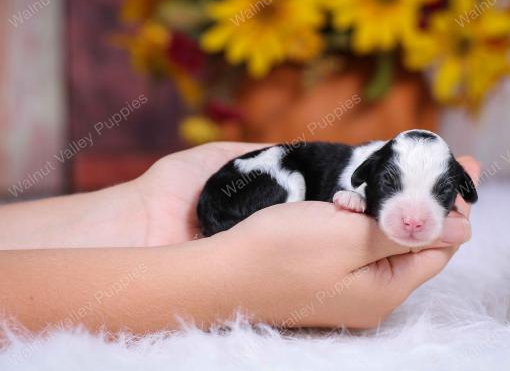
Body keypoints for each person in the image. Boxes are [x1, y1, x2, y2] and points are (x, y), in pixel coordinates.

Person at [0, 142, 479, 334]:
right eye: (391, 188)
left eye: (439, 194)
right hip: (247, 188)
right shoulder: (357, 172)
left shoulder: (382, 168)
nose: (414, 218)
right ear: (373, 174)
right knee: (294, 182)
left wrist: (144, 212)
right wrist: (230, 274)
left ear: (457, 187)